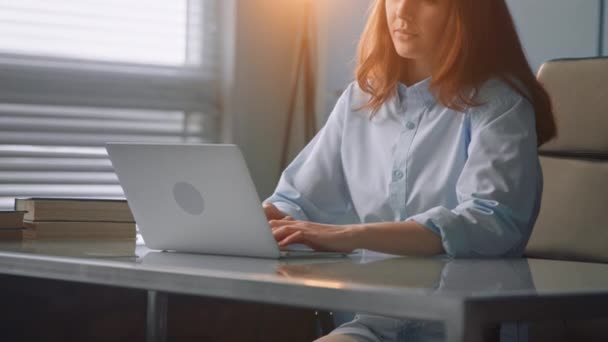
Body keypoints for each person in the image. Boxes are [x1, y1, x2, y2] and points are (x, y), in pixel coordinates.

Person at [264, 0, 556, 341]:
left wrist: (348, 235)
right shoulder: (362, 98)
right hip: (377, 323)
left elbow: (490, 223)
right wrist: (250, 222)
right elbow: (296, 201)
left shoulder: (499, 103)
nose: (402, 12)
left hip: (463, 329)